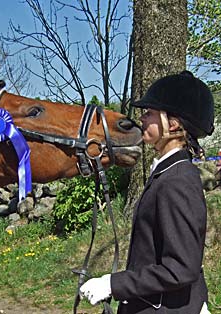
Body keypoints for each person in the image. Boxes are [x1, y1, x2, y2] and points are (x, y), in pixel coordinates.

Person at [79, 71, 214, 314]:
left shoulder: (177, 181)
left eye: (149, 112)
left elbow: (181, 268)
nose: (141, 118)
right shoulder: (167, 172)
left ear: (172, 124)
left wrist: (112, 284)